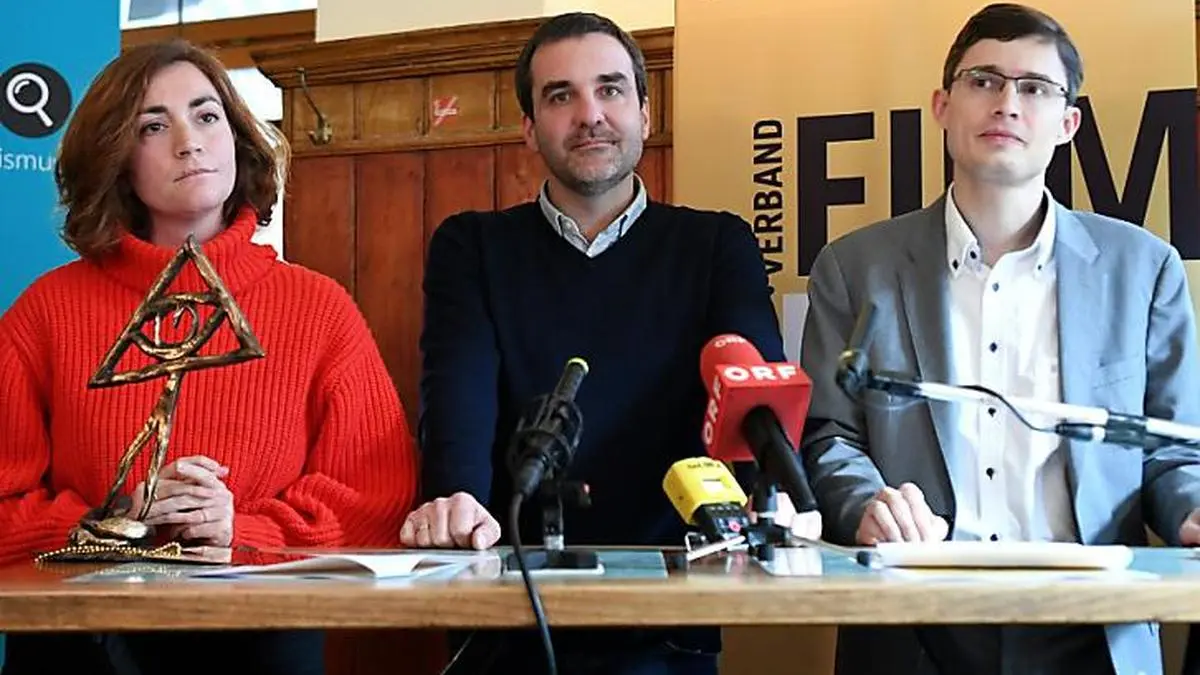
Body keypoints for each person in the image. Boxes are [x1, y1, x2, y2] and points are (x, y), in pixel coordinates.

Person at [399, 11, 819, 675]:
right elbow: (457, 404)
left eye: (611, 89)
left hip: (672, 615)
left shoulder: (715, 244)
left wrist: (772, 493)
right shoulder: (473, 246)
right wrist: (458, 503)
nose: (590, 114)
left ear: (646, 114)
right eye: (560, 96)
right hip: (510, 608)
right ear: (529, 127)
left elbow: (753, 401)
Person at [800, 4, 1200, 675]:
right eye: (983, 80)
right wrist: (867, 502)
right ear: (942, 106)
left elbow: (1172, 448)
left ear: (1068, 124)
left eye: (1035, 87)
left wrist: (1192, 507)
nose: (1007, 103)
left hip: (1095, 627)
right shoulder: (855, 267)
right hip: (914, 626)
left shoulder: (1143, 268)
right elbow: (827, 435)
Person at [0, 39, 418, 675]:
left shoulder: (318, 308)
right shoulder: (45, 312)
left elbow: (375, 501)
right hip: (79, 645)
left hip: (261, 638)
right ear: (115, 158)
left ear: (237, 136)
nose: (188, 142)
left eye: (206, 115)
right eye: (153, 126)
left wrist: (240, 532)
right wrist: (115, 522)